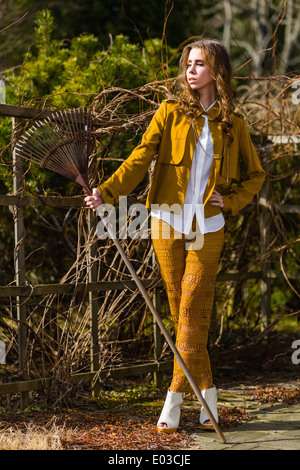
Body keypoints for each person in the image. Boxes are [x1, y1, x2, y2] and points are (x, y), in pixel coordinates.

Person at [85, 38, 266, 433]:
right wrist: (108, 191)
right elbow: (140, 156)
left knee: (191, 310)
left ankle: (174, 397)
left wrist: (230, 201)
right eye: (188, 63)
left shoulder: (233, 124)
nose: (190, 70)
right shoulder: (168, 112)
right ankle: (209, 398)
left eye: (199, 64)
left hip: (209, 226)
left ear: (217, 71)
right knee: (181, 309)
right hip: (166, 221)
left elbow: (255, 176)